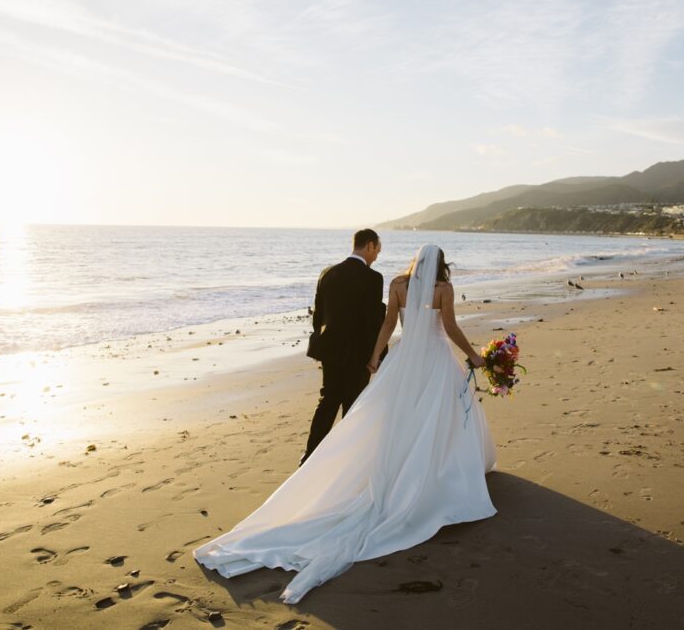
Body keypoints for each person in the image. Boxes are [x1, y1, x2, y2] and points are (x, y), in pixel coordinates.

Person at [194, 244, 496, 604]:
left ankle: (403, 470)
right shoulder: (442, 289)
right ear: (441, 264)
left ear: (415, 262)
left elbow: (387, 324)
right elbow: (448, 327)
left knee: (398, 420)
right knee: (437, 418)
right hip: (434, 361)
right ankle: (433, 474)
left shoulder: (399, 284)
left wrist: (374, 357)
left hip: (403, 360)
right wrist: (474, 355)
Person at [300, 229, 385, 465]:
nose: (377, 255)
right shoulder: (373, 278)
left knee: (328, 400)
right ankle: (347, 461)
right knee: (353, 404)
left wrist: (323, 341)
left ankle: (310, 456)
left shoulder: (328, 273)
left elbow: (319, 316)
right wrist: (377, 354)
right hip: (359, 352)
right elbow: (373, 319)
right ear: (369, 246)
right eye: (377, 249)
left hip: (331, 350)